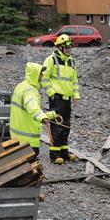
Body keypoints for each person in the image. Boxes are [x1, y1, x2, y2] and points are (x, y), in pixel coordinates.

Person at [40, 34, 80, 165]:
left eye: (70, 47)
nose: (69, 49)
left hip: (67, 99)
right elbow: (44, 78)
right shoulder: (51, 60)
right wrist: (51, 93)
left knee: (66, 125)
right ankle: (54, 154)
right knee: (57, 125)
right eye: (66, 47)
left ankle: (64, 152)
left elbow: (74, 80)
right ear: (59, 47)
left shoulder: (71, 61)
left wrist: (76, 95)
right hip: (56, 98)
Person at [9, 62, 57, 155]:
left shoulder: (21, 86)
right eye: (40, 73)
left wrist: (51, 115)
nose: (42, 75)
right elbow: (32, 108)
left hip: (16, 134)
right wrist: (42, 118)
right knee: (29, 161)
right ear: (35, 74)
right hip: (27, 138)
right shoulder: (30, 91)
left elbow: (25, 110)